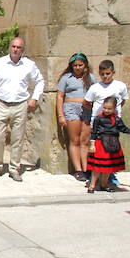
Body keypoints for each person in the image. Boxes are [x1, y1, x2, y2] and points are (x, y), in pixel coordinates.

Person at [0, 37, 45, 181]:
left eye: (19, 47)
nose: (15, 49)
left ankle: (14, 168)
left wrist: (34, 98)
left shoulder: (29, 65)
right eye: (13, 46)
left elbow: (40, 81)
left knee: (17, 138)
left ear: (23, 50)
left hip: (20, 104)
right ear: (9, 47)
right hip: (1, 103)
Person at [56, 53, 96, 182]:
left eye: (80, 65)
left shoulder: (91, 78)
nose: (78, 68)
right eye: (75, 65)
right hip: (71, 108)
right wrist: (61, 115)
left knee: (85, 141)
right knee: (75, 140)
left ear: (85, 65)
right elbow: (60, 96)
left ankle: (86, 168)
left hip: (87, 109)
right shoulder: (66, 78)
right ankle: (78, 169)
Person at [86, 97, 130, 194]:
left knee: (108, 167)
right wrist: (92, 144)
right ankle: (92, 186)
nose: (106, 110)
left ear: (114, 108)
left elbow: (124, 129)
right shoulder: (98, 118)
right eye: (105, 108)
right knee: (97, 167)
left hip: (113, 143)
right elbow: (94, 132)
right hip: (100, 143)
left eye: (109, 109)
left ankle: (104, 185)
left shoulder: (117, 119)